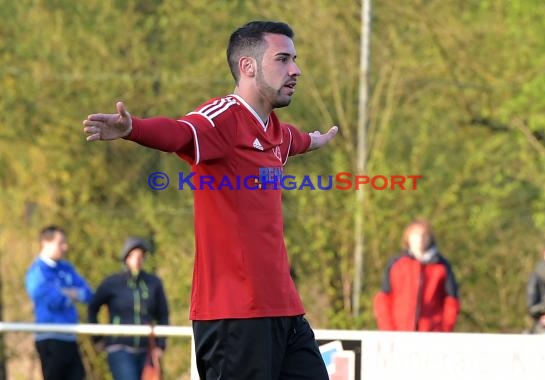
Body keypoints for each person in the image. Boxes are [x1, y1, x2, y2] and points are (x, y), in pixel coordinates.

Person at [83, 20, 337, 380]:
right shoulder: (222, 118)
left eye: (295, 59)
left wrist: (315, 140)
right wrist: (133, 129)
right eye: (283, 59)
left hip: (285, 311)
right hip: (234, 316)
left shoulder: (276, 132)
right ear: (248, 66)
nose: (295, 69)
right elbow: (180, 132)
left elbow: (294, 141)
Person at [88, 236, 169, 380]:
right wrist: (97, 339)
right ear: (126, 258)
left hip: (146, 350)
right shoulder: (112, 283)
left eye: (140, 256)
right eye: (133, 256)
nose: (137, 260)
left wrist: (160, 345)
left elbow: (163, 314)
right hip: (120, 347)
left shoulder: (153, 283)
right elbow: (93, 307)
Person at [25, 226, 93, 380]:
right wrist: (70, 294)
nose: (65, 247)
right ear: (45, 243)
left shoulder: (67, 268)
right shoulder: (37, 272)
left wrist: (67, 293)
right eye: (60, 243)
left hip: (70, 336)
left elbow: (88, 293)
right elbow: (50, 300)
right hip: (50, 337)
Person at [373, 219, 460, 331]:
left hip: (431, 335)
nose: (420, 239)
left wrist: (444, 330)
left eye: (424, 235)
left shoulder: (441, 266)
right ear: (408, 238)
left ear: (430, 238)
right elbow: (383, 299)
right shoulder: (396, 264)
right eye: (415, 235)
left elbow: (451, 301)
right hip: (399, 333)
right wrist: (388, 330)